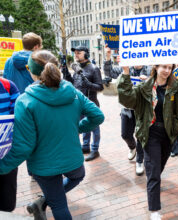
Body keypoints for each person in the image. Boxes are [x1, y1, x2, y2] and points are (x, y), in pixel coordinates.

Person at [0, 50, 104, 219]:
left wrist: (3, 166)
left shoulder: (26, 101)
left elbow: (24, 146)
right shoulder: (73, 93)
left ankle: (46, 200)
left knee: (59, 205)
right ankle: (44, 201)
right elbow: (97, 116)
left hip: (43, 166)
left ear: (29, 70)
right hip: (72, 159)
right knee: (75, 179)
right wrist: (77, 127)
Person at [117, 52, 178, 220]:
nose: (167, 70)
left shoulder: (175, 87)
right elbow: (127, 100)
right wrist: (125, 73)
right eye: (163, 67)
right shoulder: (144, 88)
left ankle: (153, 182)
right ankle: (154, 210)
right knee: (153, 173)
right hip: (150, 133)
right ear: (156, 67)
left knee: (157, 169)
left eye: (169, 67)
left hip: (168, 134)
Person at [103, 45, 150, 175]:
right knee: (125, 134)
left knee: (141, 135)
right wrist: (108, 57)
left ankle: (140, 161)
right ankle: (132, 147)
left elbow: (158, 82)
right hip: (127, 109)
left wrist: (149, 81)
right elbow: (109, 72)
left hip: (141, 109)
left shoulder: (150, 69)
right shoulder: (125, 68)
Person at [62, 46, 104, 161]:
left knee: (94, 126)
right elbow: (72, 83)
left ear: (86, 54)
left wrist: (88, 83)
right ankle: (85, 146)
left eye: (78, 53)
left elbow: (100, 87)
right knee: (83, 124)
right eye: (75, 53)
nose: (76, 55)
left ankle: (95, 149)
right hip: (78, 103)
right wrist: (65, 72)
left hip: (91, 102)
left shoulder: (94, 69)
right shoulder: (77, 68)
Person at [0, 78, 20, 212]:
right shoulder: (8, 85)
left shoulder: (8, 86)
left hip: (6, 151)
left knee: (7, 199)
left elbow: (18, 117)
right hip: (7, 153)